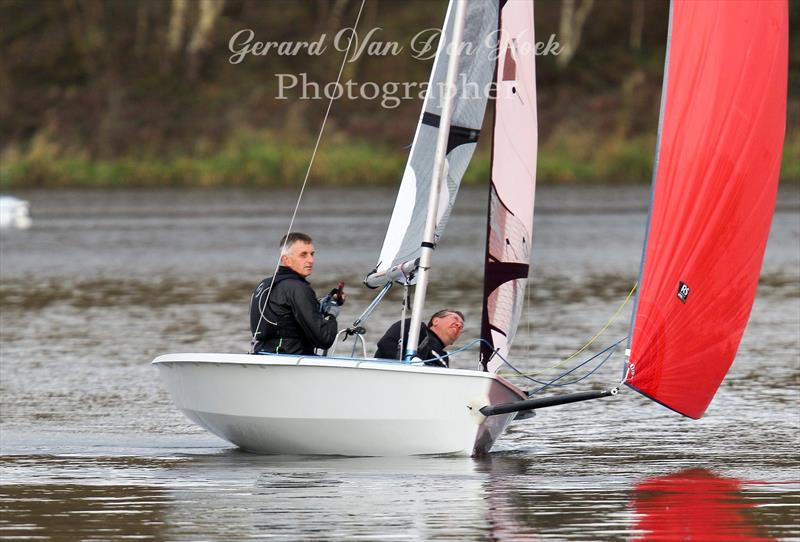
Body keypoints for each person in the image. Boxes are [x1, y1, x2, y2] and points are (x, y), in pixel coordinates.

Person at [250, 232, 344, 355]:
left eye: (312, 254)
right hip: (290, 361)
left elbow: (285, 315)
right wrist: (331, 311)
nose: (310, 260)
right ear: (286, 260)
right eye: (303, 255)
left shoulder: (264, 284)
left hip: (260, 354)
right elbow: (324, 339)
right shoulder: (298, 288)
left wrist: (320, 306)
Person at [374, 309, 465, 367]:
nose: (459, 324)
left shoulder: (444, 359)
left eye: (462, 325)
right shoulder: (415, 327)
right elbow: (386, 343)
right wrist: (410, 361)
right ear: (436, 321)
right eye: (455, 319)